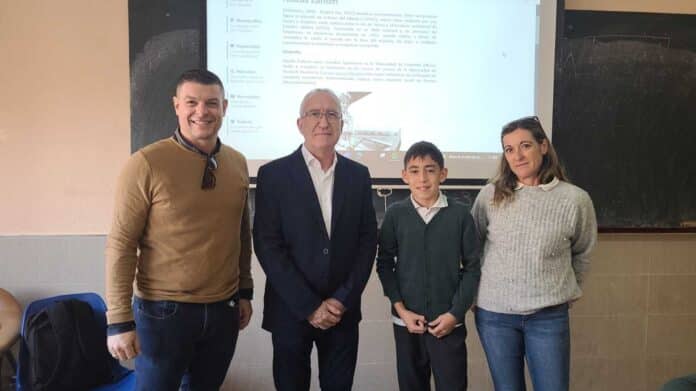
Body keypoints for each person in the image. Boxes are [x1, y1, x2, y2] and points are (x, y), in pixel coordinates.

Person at [105, 69, 253, 391]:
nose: (202, 112)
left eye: (212, 103)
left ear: (224, 107)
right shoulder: (145, 164)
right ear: (176, 106)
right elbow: (121, 244)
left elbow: (241, 233)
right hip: (162, 314)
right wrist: (118, 319)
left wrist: (245, 291)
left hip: (223, 311)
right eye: (192, 102)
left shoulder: (238, 163)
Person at [253, 88, 378, 391]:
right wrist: (309, 305)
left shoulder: (358, 175)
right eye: (315, 113)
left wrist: (341, 300)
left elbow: (366, 242)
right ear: (300, 124)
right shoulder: (273, 175)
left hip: (341, 313)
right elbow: (267, 245)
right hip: (290, 312)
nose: (324, 121)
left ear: (342, 126)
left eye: (332, 114)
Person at [471, 116, 597, 391]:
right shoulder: (489, 196)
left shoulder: (575, 200)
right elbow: (473, 249)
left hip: (548, 316)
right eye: (509, 149)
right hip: (495, 316)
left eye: (525, 145)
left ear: (543, 146)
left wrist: (565, 288)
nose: (517, 155)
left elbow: (583, 250)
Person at [376, 141, 480, 391]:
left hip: (448, 324)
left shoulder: (460, 215)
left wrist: (455, 313)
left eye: (430, 169)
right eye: (414, 170)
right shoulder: (395, 215)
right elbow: (384, 265)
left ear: (443, 174)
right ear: (404, 176)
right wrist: (401, 310)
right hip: (407, 323)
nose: (422, 178)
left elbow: (473, 268)